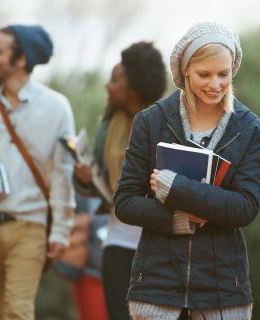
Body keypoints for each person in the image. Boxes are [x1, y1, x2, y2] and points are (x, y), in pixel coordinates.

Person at [114, 22, 260, 320]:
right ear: (185, 70)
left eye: (223, 74)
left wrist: (177, 189)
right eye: (204, 75)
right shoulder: (151, 121)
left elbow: (246, 208)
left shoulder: (252, 129)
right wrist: (179, 219)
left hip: (223, 289)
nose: (215, 84)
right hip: (156, 286)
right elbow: (125, 202)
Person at [0, 25, 76, 319]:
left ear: (21, 60)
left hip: (29, 226)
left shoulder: (57, 107)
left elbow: (63, 173)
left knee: (18, 311)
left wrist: (60, 230)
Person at [73, 41, 166, 320]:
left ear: (134, 85)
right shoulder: (108, 126)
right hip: (117, 238)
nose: (108, 87)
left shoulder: (165, 122)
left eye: (115, 80)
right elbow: (97, 188)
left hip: (157, 241)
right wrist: (86, 180)